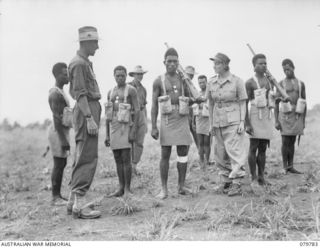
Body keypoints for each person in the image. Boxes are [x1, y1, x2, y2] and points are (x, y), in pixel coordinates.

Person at [67, 26, 101, 219]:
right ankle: (80, 205)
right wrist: (89, 118)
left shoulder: (84, 62)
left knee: (81, 155)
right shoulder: (79, 64)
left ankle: (73, 201)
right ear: (86, 43)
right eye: (95, 43)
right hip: (86, 110)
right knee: (87, 157)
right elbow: (80, 94)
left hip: (88, 108)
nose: (97, 47)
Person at [151, 48, 193, 199]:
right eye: (169, 61)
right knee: (165, 154)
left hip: (181, 118)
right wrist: (154, 127)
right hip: (167, 119)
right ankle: (164, 189)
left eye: (175, 61)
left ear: (178, 63)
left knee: (183, 153)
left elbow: (190, 99)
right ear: (164, 62)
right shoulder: (158, 80)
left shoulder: (184, 80)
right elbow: (154, 105)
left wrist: (197, 98)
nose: (172, 64)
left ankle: (181, 186)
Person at [207, 53, 247, 197]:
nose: (214, 66)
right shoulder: (211, 82)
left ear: (225, 64)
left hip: (233, 120)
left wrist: (242, 121)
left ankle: (237, 182)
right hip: (218, 120)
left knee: (235, 150)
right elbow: (210, 103)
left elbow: (243, 102)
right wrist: (211, 123)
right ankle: (225, 181)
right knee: (220, 151)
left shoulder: (237, 81)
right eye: (214, 63)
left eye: (217, 63)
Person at [105, 66, 139, 197]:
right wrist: (107, 134)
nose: (120, 78)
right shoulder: (110, 92)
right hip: (113, 126)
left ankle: (127, 189)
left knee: (126, 157)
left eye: (122, 75)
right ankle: (120, 187)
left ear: (126, 76)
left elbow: (137, 110)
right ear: (114, 76)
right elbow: (107, 115)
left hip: (125, 127)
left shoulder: (131, 90)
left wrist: (133, 130)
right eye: (117, 75)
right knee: (117, 158)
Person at [245, 54, 274, 187]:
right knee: (253, 147)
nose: (264, 65)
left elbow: (274, 98)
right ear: (254, 66)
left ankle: (262, 176)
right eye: (261, 63)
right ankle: (253, 177)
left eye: (265, 63)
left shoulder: (269, 81)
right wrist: (247, 123)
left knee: (263, 148)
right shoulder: (250, 82)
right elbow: (244, 104)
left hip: (267, 114)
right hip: (255, 114)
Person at [274, 59, 306, 174]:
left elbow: (304, 102)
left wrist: (304, 121)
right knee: (285, 140)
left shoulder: (300, 83)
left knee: (292, 141)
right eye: (284, 69)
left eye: (288, 69)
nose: (286, 71)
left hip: (297, 115)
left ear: (293, 67)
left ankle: (290, 166)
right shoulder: (280, 83)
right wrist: (276, 120)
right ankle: (284, 166)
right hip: (285, 114)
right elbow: (276, 103)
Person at [48, 62, 71, 206]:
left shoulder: (61, 91)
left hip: (63, 130)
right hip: (58, 132)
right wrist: (63, 140)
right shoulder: (55, 93)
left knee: (62, 163)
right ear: (57, 75)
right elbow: (56, 118)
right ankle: (55, 197)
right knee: (58, 163)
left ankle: (58, 195)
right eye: (65, 74)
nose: (67, 76)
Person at [128, 65, 148, 176]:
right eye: (138, 74)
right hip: (130, 115)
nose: (140, 76)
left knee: (139, 142)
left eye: (141, 74)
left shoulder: (143, 89)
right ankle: (128, 167)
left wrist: (145, 122)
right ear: (133, 75)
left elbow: (144, 106)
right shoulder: (128, 87)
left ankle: (134, 166)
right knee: (129, 141)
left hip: (141, 115)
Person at [192, 75, 210, 171]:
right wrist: (193, 122)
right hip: (199, 119)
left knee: (207, 142)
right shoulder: (197, 94)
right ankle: (201, 162)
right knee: (200, 142)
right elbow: (194, 109)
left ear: (206, 82)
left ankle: (207, 162)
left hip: (207, 119)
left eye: (203, 82)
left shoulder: (209, 93)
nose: (201, 84)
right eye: (200, 82)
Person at [185, 66, 199, 150]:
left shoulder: (192, 86)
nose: (190, 76)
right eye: (189, 74)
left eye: (192, 75)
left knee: (198, 137)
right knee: (186, 139)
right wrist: (194, 99)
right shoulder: (182, 85)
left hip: (192, 113)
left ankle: (203, 159)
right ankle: (184, 160)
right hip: (184, 114)